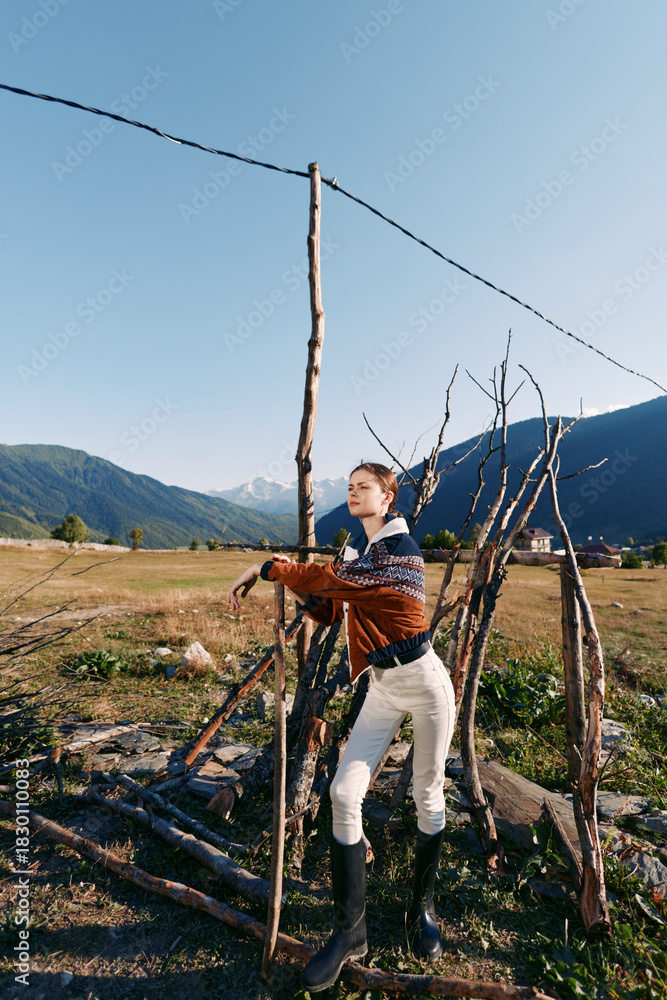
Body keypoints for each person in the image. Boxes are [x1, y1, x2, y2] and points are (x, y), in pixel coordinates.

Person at [227, 462, 456, 993]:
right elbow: (331, 608)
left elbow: (336, 582)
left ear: (388, 496)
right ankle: (351, 930)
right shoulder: (359, 552)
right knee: (343, 792)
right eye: (349, 487)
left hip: (425, 685)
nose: (353, 493)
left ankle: (421, 908)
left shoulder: (400, 553)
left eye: (364, 487)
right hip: (383, 685)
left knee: (427, 793)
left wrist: (267, 568)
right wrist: (300, 593)